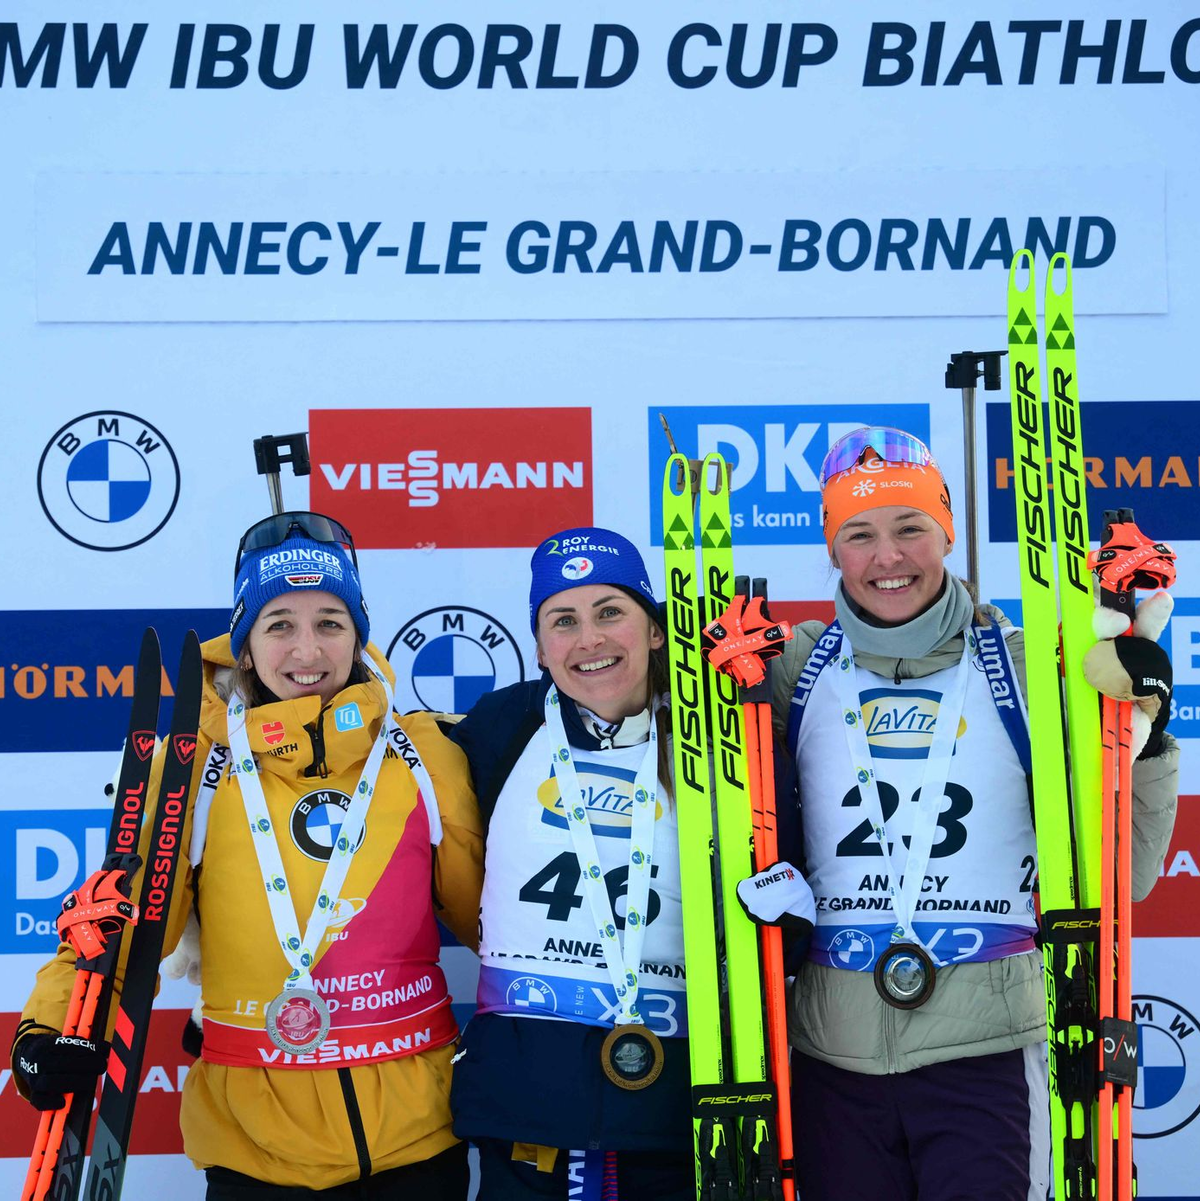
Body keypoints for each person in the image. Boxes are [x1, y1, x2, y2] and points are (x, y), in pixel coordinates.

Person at [13, 511, 484, 1199]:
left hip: (416, 1138)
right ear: (245, 640)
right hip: (254, 1148)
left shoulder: (422, 754)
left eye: (330, 621)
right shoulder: (195, 771)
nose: (307, 649)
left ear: (357, 635)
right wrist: (49, 1027)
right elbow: (124, 921)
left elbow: (497, 922)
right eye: (279, 624)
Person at [761, 427, 1179, 1201]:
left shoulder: (1027, 669)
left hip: (988, 1047)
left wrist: (1146, 722)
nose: (888, 557)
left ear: (946, 531)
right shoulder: (792, 668)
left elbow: (1133, 870)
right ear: (832, 548)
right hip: (831, 1054)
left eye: (911, 528)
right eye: (859, 535)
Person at [447, 528, 693, 1201]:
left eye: (610, 611)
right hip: (530, 1100)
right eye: (563, 620)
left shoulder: (715, 739)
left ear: (654, 629)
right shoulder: (502, 727)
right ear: (539, 647)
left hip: (671, 1099)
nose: (589, 639)